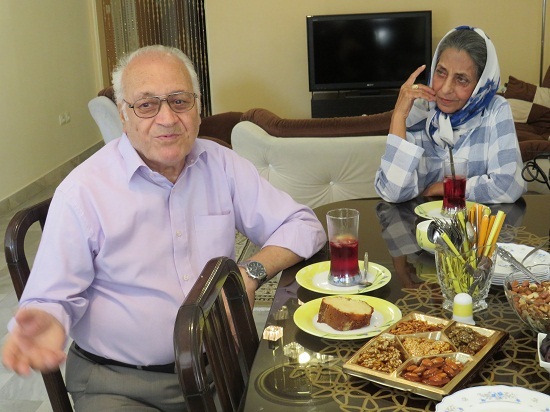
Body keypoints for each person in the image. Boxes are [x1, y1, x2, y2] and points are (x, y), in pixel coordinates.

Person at [2, 45, 326, 411]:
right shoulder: (83, 192)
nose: (168, 118)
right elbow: (50, 296)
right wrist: (44, 320)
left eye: (179, 101)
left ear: (198, 107)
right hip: (119, 384)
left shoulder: (221, 164)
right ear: (123, 115)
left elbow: (302, 224)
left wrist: (248, 274)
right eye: (147, 105)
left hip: (218, 367)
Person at [374, 26, 526, 204]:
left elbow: (508, 185)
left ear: (480, 84)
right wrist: (399, 116)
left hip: (476, 221)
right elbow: (393, 192)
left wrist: (445, 188)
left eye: (461, 79)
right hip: (420, 221)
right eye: (441, 72)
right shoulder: (418, 110)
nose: (445, 89)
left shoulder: (495, 109)